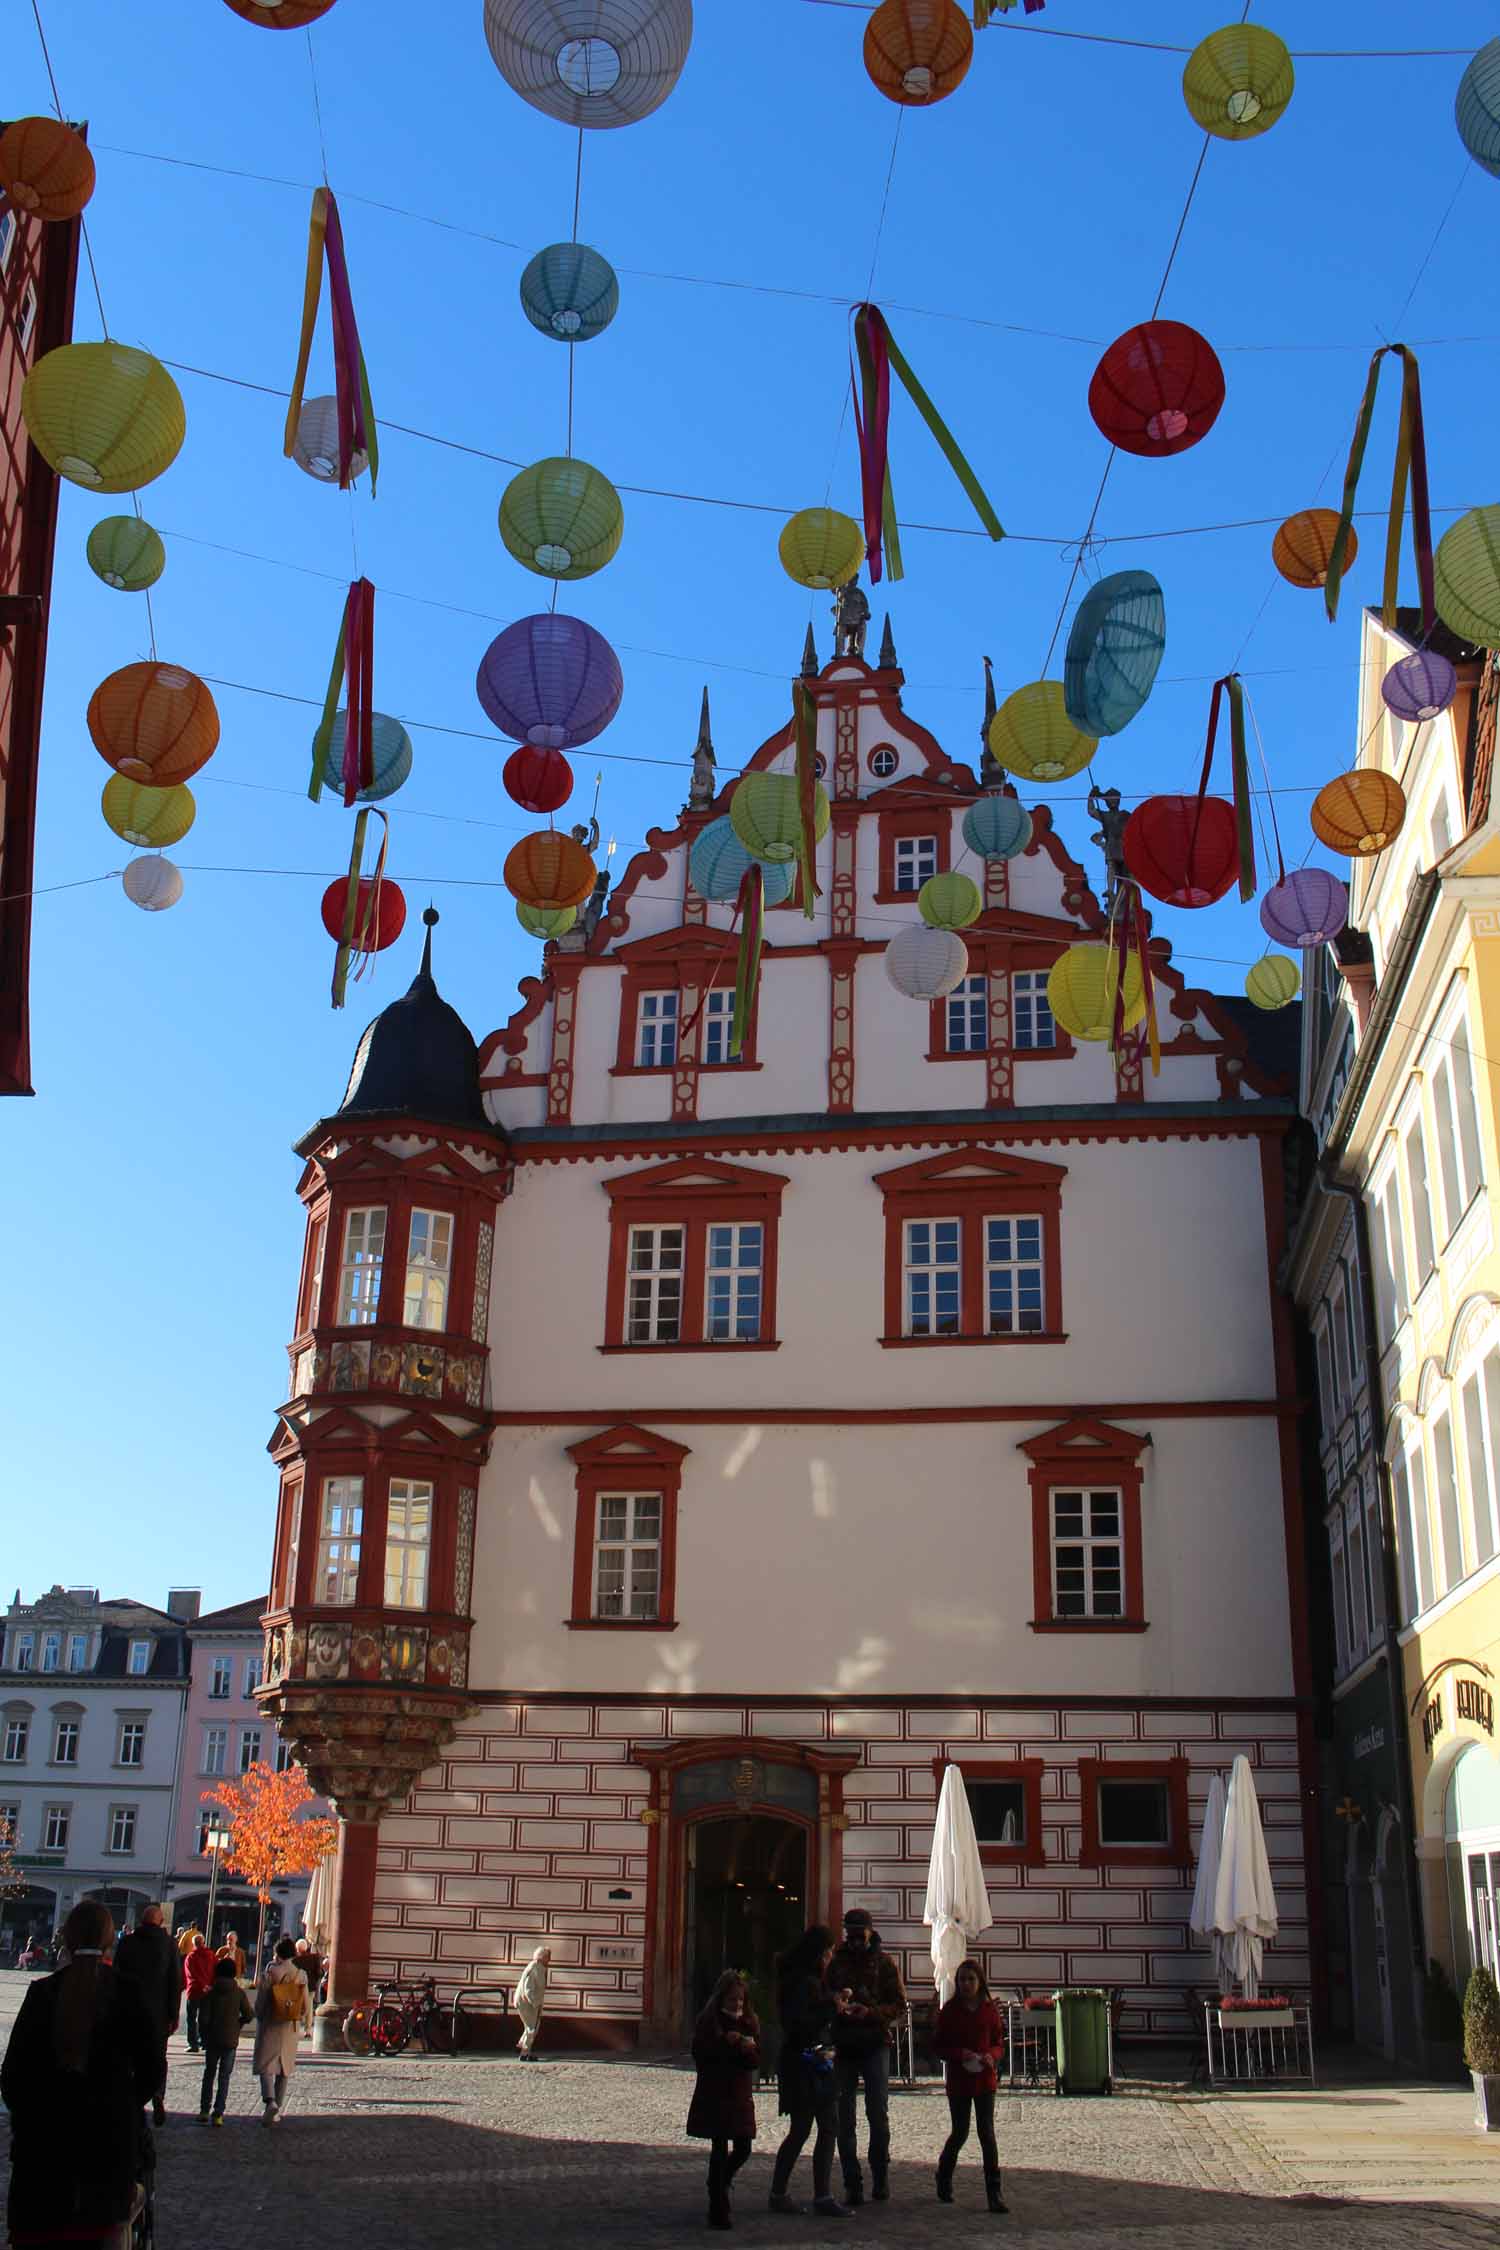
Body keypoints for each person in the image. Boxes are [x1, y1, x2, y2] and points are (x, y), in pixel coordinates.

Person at [1, 1900, 158, 2245]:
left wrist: (33, 2118)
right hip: (106, 2163)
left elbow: (12, 2080)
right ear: (109, 1941)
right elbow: (152, 2071)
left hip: (41, 2169)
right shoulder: (126, 1994)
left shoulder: (42, 1994)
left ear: (67, 1940)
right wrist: (122, 2107)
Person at [827, 1906, 907, 2205]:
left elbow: (899, 2003)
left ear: (870, 1932)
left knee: (878, 2114)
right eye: (851, 1933)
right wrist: (839, 2003)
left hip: (875, 2043)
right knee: (844, 2117)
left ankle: (880, 2176)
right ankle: (852, 2182)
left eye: (860, 1934)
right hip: (846, 2044)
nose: (855, 1939)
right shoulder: (836, 1962)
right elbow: (827, 1995)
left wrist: (870, 2012)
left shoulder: (884, 1964)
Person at [768, 1925, 848, 2219]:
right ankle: (820, 2196)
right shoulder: (805, 1982)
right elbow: (802, 2024)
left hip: (801, 2062)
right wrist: (832, 2006)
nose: (830, 1958)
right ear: (817, 1953)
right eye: (828, 1952)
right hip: (809, 2064)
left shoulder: (800, 1979)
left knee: (804, 2129)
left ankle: (780, 2192)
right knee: (824, 2128)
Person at [932, 1961, 1008, 2214]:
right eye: (962, 1979)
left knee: (987, 2133)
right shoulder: (950, 2011)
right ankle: (943, 2176)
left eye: (970, 1979)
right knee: (960, 2131)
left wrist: (992, 2056)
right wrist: (959, 2053)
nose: (965, 1984)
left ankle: (994, 2192)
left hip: (985, 2079)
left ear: (980, 1982)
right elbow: (938, 2047)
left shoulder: (989, 2011)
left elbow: (999, 2042)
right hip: (959, 2080)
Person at [687, 1971, 760, 2230]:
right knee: (719, 2149)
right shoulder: (708, 2022)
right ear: (721, 1998)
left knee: (743, 2148)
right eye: (732, 2000)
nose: (737, 2005)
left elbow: (755, 2062)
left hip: (739, 2096)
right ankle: (718, 2206)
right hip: (715, 2094)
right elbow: (700, 2055)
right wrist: (724, 2044)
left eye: (740, 2001)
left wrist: (747, 2049)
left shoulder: (749, 2023)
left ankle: (719, 2183)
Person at [113, 1902, 184, 2128]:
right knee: (157, 2057)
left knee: (129, 2056)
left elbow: (116, 1975)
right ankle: (158, 2093)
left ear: (141, 1921)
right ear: (160, 1922)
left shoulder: (127, 1942)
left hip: (129, 2010)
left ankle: (131, 2099)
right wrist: (173, 2014)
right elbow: (176, 1981)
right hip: (158, 2014)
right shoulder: (169, 1944)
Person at [251, 1935, 311, 2124]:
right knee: (284, 2068)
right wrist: (303, 2021)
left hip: (270, 2023)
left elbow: (260, 2002)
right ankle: (277, 2108)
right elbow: (306, 2006)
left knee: (266, 2065)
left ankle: (270, 2102)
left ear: (277, 1954)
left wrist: (259, 2016)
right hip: (290, 2026)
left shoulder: (270, 1974)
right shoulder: (301, 1975)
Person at [197, 1956, 253, 2126]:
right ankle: (218, 2113)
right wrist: (238, 2024)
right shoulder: (239, 1993)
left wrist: (204, 2036)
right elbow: (249, 2015)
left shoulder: (210, 1994)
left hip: (213, 2039)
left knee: (209, 2074)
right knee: (224, 2077)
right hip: (230, 2040)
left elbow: (203, 2019)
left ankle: (204, 2111)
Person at [515, 1943, 551, 2060]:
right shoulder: (535, 1967)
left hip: (530, 2002)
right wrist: (535, 2003)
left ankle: (523, 2046)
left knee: (531, 2027)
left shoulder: (538, 1967)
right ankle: (525, 2053)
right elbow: (528, 1988)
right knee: (532, 2028)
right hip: (527, 2003)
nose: (549, 1960)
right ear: (543, 1957)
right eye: (548, 1957)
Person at [184, 1930, 218, 2051]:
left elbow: (190, 1974)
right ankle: (205, 2041)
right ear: (203, 1942)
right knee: (204, 2018)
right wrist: (209, 1985)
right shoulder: (211, 1955)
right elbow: (216, 1971)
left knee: (191, 2018)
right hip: (208, 1991)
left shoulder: (191, 1957)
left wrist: (201, 1984)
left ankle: (193, 2043)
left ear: (194, 1944)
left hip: (194, 1990)